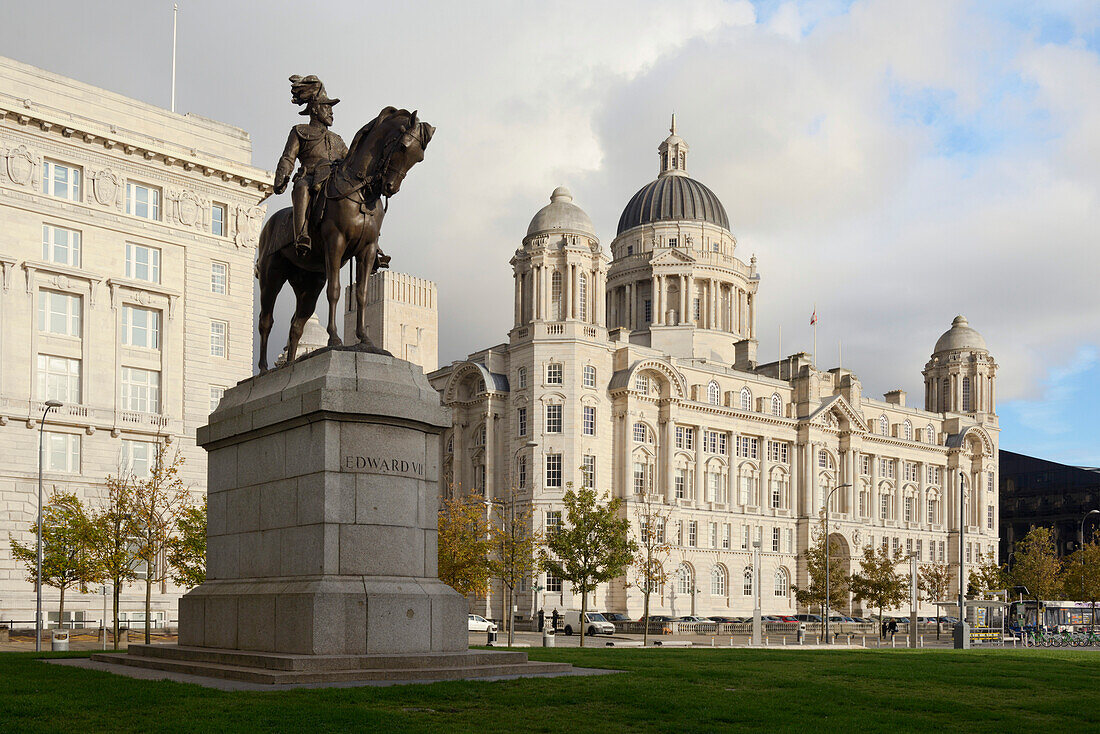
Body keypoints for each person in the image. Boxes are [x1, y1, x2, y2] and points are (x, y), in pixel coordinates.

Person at [273, 75, 347, 257]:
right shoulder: (300, 131)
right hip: (310, 176)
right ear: (314, 109)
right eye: (327, 107)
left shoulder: (337, 140)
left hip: (333, 179)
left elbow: (350, 160)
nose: (331, 112)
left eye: (331, 108)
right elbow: (288, 157)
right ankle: (302, 235)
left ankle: (371, 244)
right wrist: (282, 177)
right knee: (301, 188)